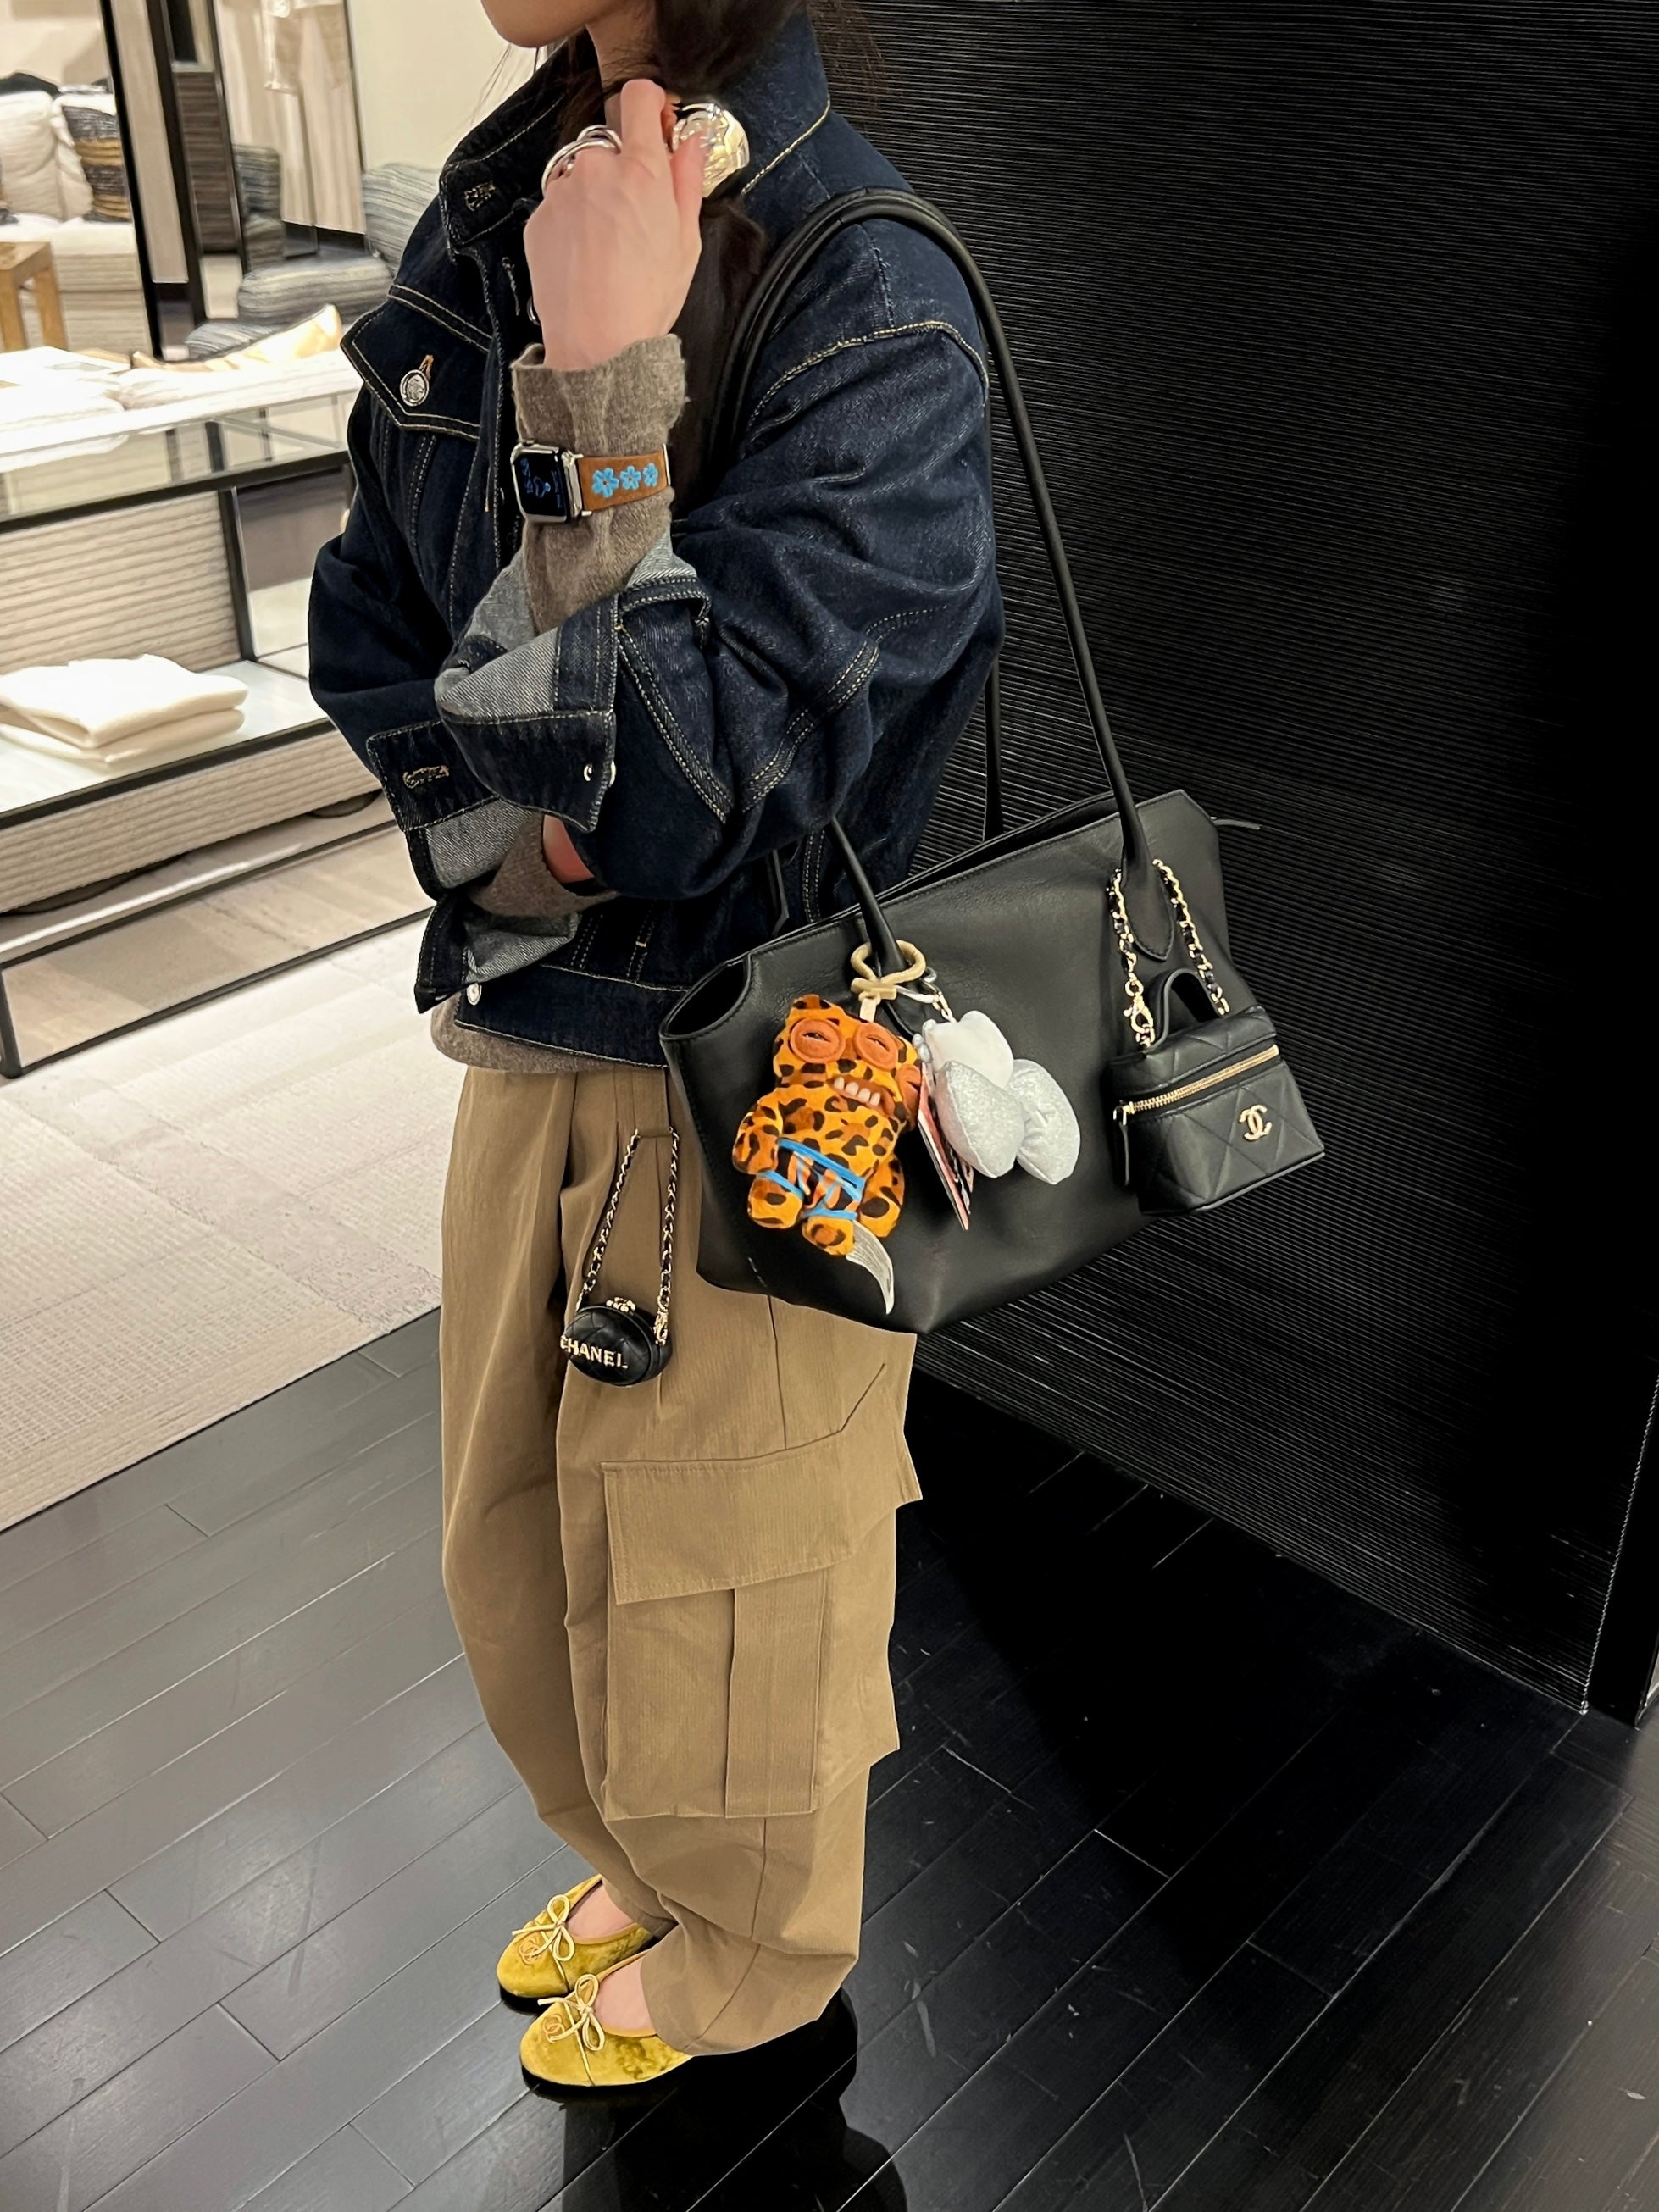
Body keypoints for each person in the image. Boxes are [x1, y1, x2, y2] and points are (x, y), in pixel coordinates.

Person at [308, 0, 1002, 2092]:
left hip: (765, 1065)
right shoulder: (498, 209)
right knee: (521, 1538)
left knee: (732, 1573)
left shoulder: (867, 286)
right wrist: (533, 842)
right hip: (533, 1021)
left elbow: (686, 798)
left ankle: (754, 1954)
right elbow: (368, 623)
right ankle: (638, 1858)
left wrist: (608, 392)